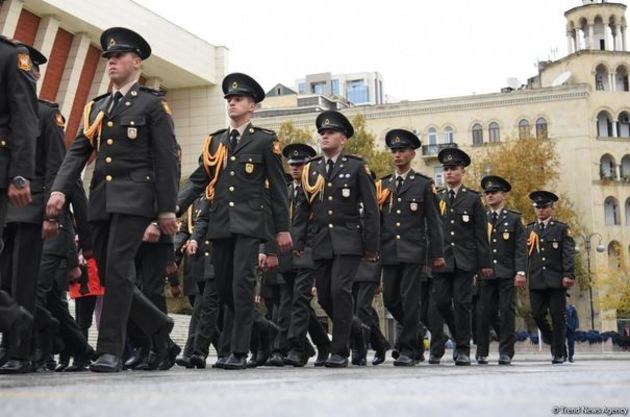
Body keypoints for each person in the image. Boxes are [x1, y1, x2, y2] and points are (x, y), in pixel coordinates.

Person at [46, 27, 180, 372]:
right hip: (102, 201)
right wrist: (60, 188)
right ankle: (160, 327)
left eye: (118, 56)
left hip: (136, 198)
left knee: (119, 270)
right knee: (108, 275)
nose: (111, 62)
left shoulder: (152, 104)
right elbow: (77, 152)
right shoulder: (98, 107)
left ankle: (110, 350)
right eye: (108, 57)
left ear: (137, 61)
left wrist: (166, 209)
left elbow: (166, 160)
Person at [177, 72, 291, 369]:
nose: (231, 103)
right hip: (220, 225)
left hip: (250, 225)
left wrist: (280, 232)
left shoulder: (265, 141)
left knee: (241, 286)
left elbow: (278, 190)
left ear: (252, 106)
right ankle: (263, 330)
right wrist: (171, 209)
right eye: (228, 99)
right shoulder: (215, 142)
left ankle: (237, 352)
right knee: (225, 289)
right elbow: (198, 181)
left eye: (238, 99)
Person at [293, 110, 379, 368]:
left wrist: (371, 247)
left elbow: (371, 209)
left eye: (330, 132)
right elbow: (303, 208)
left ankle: (339, 350)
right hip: (321, 242)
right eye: (321, 133)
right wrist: (297, 241)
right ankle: (358, 332)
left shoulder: (356, 166)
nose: (324, 136)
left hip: (348, 241)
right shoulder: (312, 169)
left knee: (340, 292)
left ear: (343, 139)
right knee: (325, 298)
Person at [377, 129, 444, 366]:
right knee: (391, 300)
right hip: (389, 251)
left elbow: (434, 222)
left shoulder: (423, 185)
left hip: (414, 251)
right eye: (394, 151)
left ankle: (406, 349)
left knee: (409, 300)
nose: (397, 155)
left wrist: (437, 254)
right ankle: (416, 336)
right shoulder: (382, 184)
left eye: (402, 151)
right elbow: (378, 221)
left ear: (412, 154)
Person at [0, 35, 40, 373]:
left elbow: (25, 119)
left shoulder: (12, 56)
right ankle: (11, 314)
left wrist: (19, 175)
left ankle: (13, 317)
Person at [433, 148, 492, 365]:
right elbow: (430, 229)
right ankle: (459, 334)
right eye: (446, 169)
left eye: (453, 168)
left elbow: (480, 234)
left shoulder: (473, 199)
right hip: (442, 259)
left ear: (462, 171)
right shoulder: (436, 196)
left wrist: (484, 264)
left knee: (462, 303)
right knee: (440, 302)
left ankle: (463, 348)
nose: (449, 172)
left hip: (466, 260)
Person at [278, 143, 331, 367]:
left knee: (300, 300)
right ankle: (322, 342)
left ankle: (297, 349)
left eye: (300, 164)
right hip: (289, 253)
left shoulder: (319, 188)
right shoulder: (288, 191)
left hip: (309, 250)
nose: (296, 168)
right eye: (292, 165)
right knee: (295, 303)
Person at [476, 175, 527, 365]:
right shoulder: (481, 217)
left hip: (506, 273)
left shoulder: (514, 218)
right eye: (487, 193)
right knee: (484, 313)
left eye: (493, 192)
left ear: (503, 195)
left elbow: (520, 248)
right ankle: (482, 351)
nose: (489, 196)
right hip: (485, 272)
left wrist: (521, 272)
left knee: (506, 312)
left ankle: (506, 352)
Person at [526, 190, 575, 364]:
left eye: (544, 206)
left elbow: (567, 253)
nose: (540, 210)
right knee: (537, 314)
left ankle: (558, 352)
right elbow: (525, 255)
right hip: (536, 280)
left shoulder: (561, 229)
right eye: (537, 207)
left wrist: (568, 274)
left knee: (557, 316)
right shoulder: (530, 229)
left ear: (551, 208)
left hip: (556, 280)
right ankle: (553, 339)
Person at [565, 292, 579, 363]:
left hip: (571, 328)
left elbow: (576, 317)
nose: (566, 299)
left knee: (571, 343)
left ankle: (570, 356)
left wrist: (576, 326)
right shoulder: (559, 307)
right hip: (563, 328)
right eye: (564, 298)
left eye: (567, 298)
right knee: (562, 343)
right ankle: (564, 356)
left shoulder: (572, 308)